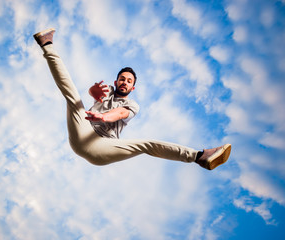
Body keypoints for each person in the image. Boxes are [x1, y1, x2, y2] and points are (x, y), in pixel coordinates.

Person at [33, 28, 231, 170]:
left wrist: (102, 117)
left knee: (147, 144)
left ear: (132, 87)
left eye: (129, 81)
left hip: (104, 146)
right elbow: (95, 95)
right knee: (73, 97)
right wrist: (93, 92)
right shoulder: (108, 91)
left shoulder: (132, 104)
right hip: (82, 134)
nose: (124, 82)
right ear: (116, 81)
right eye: (122, 79)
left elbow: (119, 113)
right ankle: (47, 44)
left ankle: (199, 156)